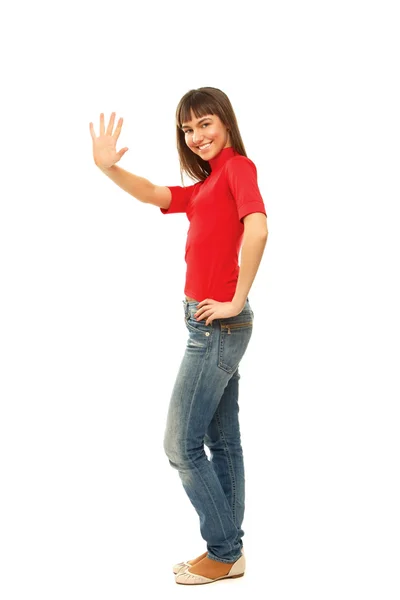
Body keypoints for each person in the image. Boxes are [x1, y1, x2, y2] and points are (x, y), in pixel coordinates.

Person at [89, 86, 268, 585]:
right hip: (207, 321)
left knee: (180, 445)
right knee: (221, 439)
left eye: (204, 124)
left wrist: (235, 297)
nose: (196, 136)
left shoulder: (238, 169)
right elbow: (153, 193)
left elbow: (258, 229)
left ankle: (224, 550)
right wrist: (109, 167)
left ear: (226, 122)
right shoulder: (209, 185)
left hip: (218, 324)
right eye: (187, 130)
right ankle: (230, 553)